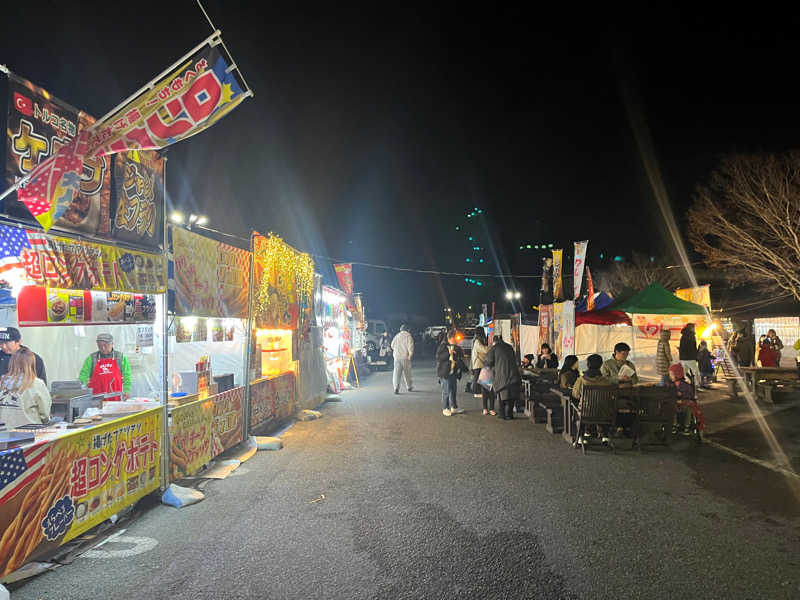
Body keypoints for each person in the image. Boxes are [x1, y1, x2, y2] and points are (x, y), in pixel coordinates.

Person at [0, 348, 51, 429]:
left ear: (12, 363)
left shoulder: (2, 382)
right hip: (30, 432)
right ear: (31, 363)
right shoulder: (37, 384)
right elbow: (45, 414)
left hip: (4, 433)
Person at [572, 353, 615, 444]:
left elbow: (575, 394)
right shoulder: (607, 381)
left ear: (588, 365)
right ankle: (605, 437)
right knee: (601, 406)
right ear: (601, 365)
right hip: (605, 413)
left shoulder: (582, 380)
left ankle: (580, 437)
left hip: (586, 413)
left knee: (578, 411)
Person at [79, 333, 131, 399]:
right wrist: (82, 391)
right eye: (100, 346)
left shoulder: (121, 357)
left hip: (116, 398)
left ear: (112, 344)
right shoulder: (91, 358)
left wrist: (127, 390)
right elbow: (83, 376)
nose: (103, 348)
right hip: (96, 399)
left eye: (105, 345)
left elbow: (127, 376)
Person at [484, 334, 521, 420]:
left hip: (502, 375)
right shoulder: (509, 347)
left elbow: (489, 362)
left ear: (494, 342)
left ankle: (502, 414)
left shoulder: (494, 348)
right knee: (512, 395)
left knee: (502, 396)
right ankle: (510, 414)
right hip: (514, 374)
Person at [436, 329, 466, 416]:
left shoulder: (456, 346)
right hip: (445, 372)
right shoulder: (443, 346)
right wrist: (449, 353)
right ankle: (445, 408)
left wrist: (458, 352)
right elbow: (439, 357)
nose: (456, 340)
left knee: (453, 390)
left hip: (453, 372)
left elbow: (460, 357)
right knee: (446, 391)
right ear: (450, 338)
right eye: (455, 338)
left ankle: (454, 407)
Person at [669, 363, 704, 435]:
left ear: (677, 374)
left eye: (671, 374)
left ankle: (686, 426)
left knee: (688, 409)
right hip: (675, 404)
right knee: (671, 408)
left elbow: (690, 396)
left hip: (684, 404)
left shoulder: (686, 386)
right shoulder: (671, 385)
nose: (670, 376)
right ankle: (674, 425)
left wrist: (682, 398)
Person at [471, 330, 495, 414]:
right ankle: (487, 408)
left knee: (487, 388)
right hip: (481, 366)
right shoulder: (477, 342)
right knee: (486, 388)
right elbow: (484, 350)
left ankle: (487, 408)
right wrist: (491, 346)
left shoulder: (477, 341)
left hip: (483, 366)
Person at [390, 324, 415, 394]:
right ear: (407, 329)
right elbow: (411, 346)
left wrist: (396, 350)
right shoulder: (408, 336)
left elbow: (392, 345)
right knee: (407, 373)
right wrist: (410, 354)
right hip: (405, 357)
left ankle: (396, 388)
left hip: (397, 357)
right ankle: (409, 387)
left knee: (396, 374)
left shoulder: (397, 336)